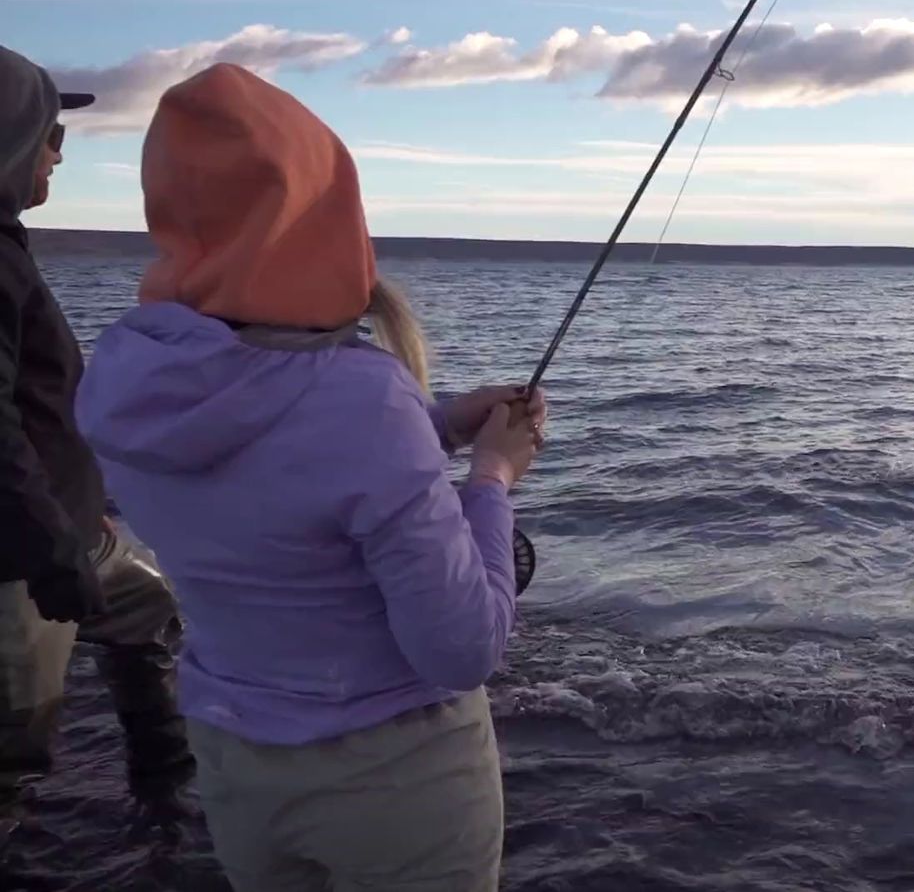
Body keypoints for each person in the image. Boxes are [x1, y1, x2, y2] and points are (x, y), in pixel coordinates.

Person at [74, 62, 545, 892]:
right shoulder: (363, 398)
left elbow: (272, 475)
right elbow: (462, 646)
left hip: (237, 772)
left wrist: (436, 426)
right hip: (393, 783)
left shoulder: (122, 383)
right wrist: (492, 476)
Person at [0, 43, 194, 850]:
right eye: (47, 132)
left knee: (149, 606)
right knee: (11, 755)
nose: (59, 151)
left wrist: (86, 507)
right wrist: (50, 549)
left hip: (67, 530)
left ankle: (167, 793)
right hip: (18, 561)